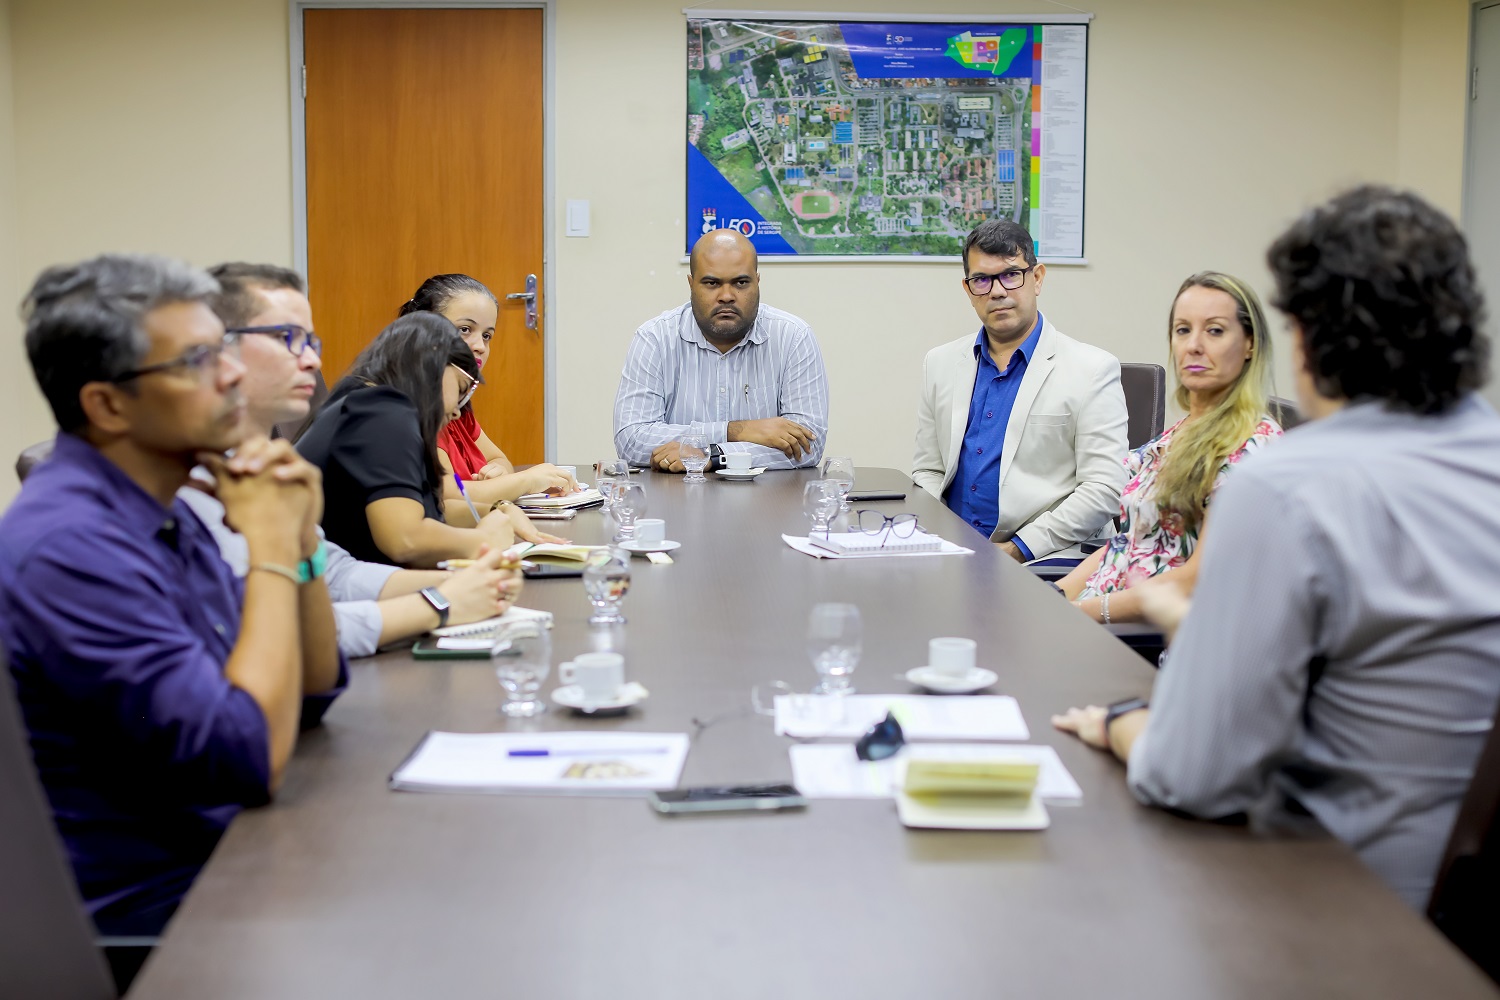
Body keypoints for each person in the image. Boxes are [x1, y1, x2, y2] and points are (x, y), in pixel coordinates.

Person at [1053, 186, 1500, 910]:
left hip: (1324, 898)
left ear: (1301, 338)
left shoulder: (1285, 485)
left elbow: (1191, 776)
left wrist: (1117, 722)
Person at [0, 254, 345, 936]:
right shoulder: (71, 547)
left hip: (228, 861)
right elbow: (243, 759)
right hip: (161, 922)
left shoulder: (164, 507)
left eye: (221, 350)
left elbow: (309, 688)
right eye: (195, 361)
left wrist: (301, 545)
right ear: (106, 404)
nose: (233, 374)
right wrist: (272, 549)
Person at [182, 263, 523, 659]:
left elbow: (332, 571)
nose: (311, 360)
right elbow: (276, 640)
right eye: (286, 338)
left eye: (311, 341)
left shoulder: (252, 461)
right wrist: (439, 602)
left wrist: (468, 587)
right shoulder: (382, 408)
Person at [1058, 272, 1283, 623]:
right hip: (1099, 615)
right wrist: (1058, 595)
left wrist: (1085, 612)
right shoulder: (1180, 433)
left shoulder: (1254, 447)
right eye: (1183, 330)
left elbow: (1199, 579)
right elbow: (1127, 543)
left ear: (1250, 344)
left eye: (1215, 330)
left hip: (1148, 636)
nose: (1194, 345)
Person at [913, 218, 1129, 561]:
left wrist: (1017, 549)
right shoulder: (939, 363)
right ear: (968, 290)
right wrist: (936, 537)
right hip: (953, 554)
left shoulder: (1092, 369)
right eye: (981, 280)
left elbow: (1104, 489)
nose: (997, 291)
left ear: (1037, 278)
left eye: (1011, 275)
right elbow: (928, 471)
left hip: (1048, 557)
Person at [297, 312, 527, 567]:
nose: (457, 411)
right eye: (461, 389)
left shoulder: (368, 401)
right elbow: (405, 540)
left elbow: (430, 510)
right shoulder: (381, 411)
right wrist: (483, 541)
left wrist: (495, 509)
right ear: (435, 364)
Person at [613, 229, 830, 472]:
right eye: (712, 283)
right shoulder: (654, 338)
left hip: (768, 503)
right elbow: (631, 440)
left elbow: (808, 446)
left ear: (757, 282)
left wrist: (715, 455)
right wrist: (739, 430)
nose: (726, 296)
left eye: (740, 283)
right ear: (691, 284)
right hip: (675, 503)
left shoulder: (793, 337)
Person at [398, 274, 579, 508]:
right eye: (464, 329)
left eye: (487, 336)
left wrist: (498, 473)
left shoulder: (457, 407)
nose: (480, 346)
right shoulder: (411, 406)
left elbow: (498, 459)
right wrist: (525, 480)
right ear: (424, 329)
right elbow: (446, 496)